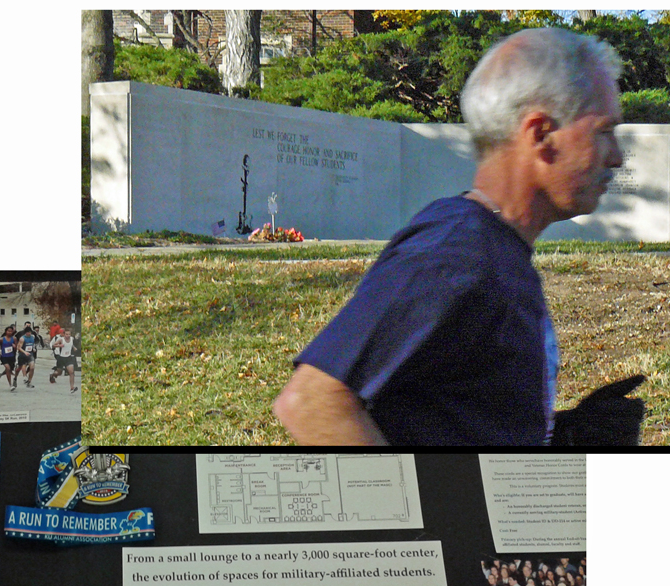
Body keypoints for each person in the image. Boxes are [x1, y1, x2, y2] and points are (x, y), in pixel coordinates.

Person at [273, 27, 644, 446]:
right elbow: (311, 403)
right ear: (540, 134)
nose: (616, 156)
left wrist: (562, 438)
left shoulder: (495, 250)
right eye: (603, 131)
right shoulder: (454, 254)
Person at [49, 329, 79, 395]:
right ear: (64, 334)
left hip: (68, 358)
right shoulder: (61, 339)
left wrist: (74, 347)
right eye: (66, 334)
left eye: (69, 334)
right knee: (59, 373)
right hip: (61, 358)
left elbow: (71, 344)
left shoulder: (72, 339)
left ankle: (72, 388)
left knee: (71, 372)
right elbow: (54, 345)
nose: (68, 336)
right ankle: (52, 375)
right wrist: (59, 345)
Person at [0, 327, 19, 391]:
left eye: (11, 331)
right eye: (8, 331)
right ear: (6, 331)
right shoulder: (2, 339)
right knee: (7, 368)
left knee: (9, 370)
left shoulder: (14, 339)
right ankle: (10, 385)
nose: (9, 332)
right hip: (4, 356)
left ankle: (0, 374)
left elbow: (17, 348)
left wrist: (15, 347)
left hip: (11, 356)